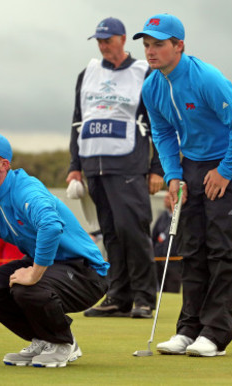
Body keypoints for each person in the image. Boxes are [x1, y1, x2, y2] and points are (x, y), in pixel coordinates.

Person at [133, 13, 232, 357]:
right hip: (191, 168)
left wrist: (226, 170)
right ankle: (189, 329)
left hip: (230, 163)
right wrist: (173, 176)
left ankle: (216, 334)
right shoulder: (152, 85)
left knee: (222, 251)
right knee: (193, 249)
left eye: (158, 44)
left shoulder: (207, 78)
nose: (151, 51)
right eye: (146, 45)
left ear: (178, 46)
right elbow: (163, 133)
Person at [0, 131, 109, 368]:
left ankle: (62, 343)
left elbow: (51, 226)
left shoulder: (26, 189)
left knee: (27, 287)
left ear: (3, 165)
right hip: (50, 269)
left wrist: (34, 272)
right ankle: (45, 338)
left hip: (86, 272)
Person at [67, 16, 164, 319]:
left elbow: (160, 124)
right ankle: (118, 296)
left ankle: (145, 299)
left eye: (108, 39)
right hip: (93, 166)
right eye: (99, 40)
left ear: (123, 39)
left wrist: (158, 168)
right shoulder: (87, 74)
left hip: (129, 165)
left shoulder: (145, 73)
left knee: (132, 231)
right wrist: (75, 166)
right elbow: (78, 121)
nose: (103, 45)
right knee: (109, 233)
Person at [151, 194, 181, 293]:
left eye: (168, 198)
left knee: (172, 289)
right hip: (159, 260)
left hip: (174, 262)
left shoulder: (180, 218)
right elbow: (154, 236)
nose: (165, 200)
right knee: (159, 290)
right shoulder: (163, 217)